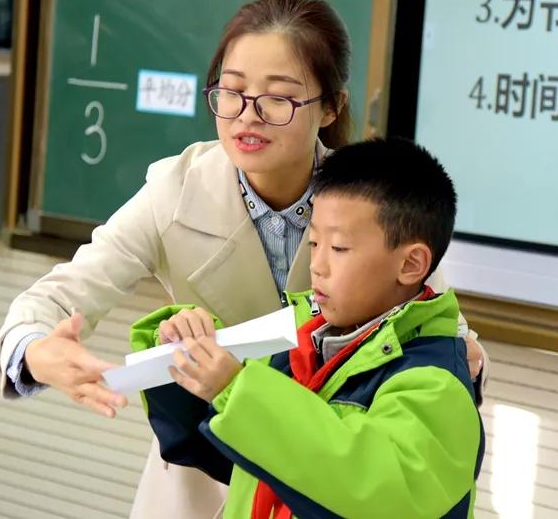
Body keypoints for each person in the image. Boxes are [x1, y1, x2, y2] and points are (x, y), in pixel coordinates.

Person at [0, 0, 488, 517]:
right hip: (204, 471)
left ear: (330, 107)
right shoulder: (174, 190)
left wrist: (470, 364)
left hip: (336, 468)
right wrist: (33, 350)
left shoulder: (373, 200)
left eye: (278, 98)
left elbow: (435, 330)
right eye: (230, 92)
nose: (246, 117)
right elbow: (61, 294)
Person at [134, 137, 484, 518]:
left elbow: (368, 488)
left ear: (411, 264)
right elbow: (216, 448)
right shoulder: (297, 337)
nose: (317, 265)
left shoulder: (436, 384)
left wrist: (234, 390)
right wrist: (183, 349)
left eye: (338, 248)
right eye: (314, 242)